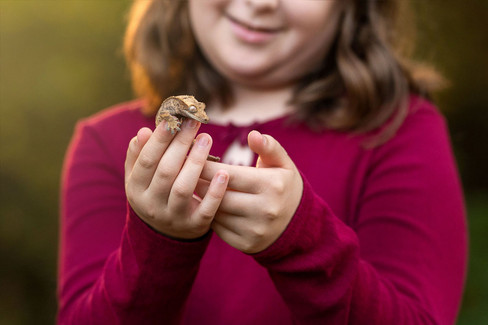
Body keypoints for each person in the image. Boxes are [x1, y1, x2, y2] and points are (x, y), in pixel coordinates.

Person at [57, 0, 467, 324]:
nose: (261, 2)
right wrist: (157, 239)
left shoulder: (397, 129)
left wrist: (303, 240)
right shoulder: (109, 144)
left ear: (350, 6)